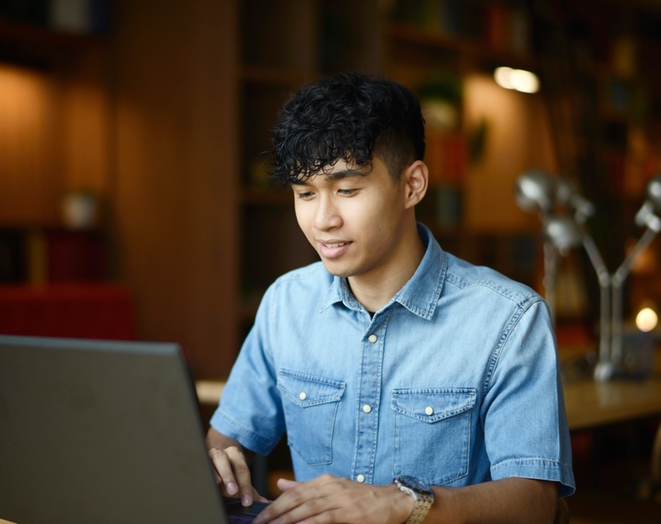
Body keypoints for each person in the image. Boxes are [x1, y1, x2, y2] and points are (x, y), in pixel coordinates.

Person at [207, 71, 575, 524]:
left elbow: (535, 505)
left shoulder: (509, 318)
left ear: (412, 185)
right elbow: (225, 441)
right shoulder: (287, 303)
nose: (323, 219)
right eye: (305, 193)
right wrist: (217, 462)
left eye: (347, 190)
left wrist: (402, 505)